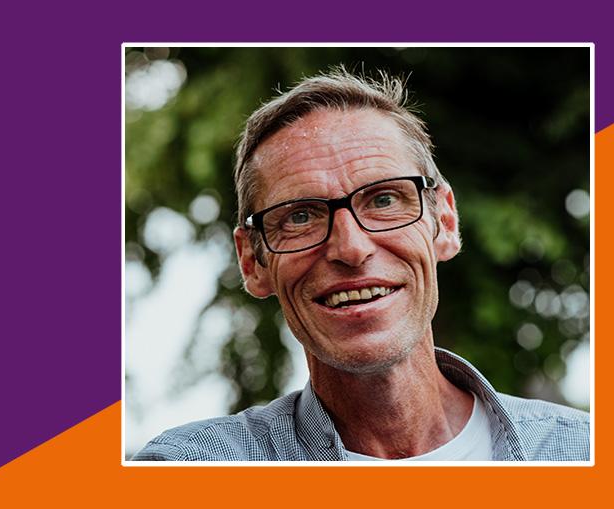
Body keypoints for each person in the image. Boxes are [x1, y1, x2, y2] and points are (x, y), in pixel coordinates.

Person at [132, 68, 590, 461]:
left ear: (444, 221)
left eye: (385, 199)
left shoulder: (585, 452)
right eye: (300, 217)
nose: (350, 248)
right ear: (252, 261)